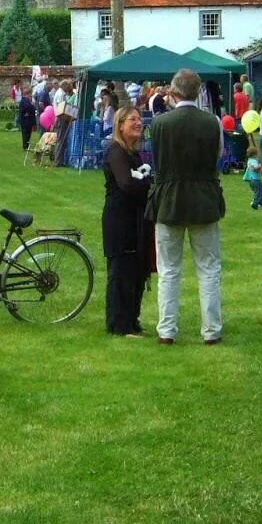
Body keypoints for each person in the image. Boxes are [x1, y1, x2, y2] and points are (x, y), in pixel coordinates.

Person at [146, 69, 224, 345]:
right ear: (199, 91)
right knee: (209, 267)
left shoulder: (159, 123)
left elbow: (157, 157)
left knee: (168, 268)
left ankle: (167, 330)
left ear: (173, 92)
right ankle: (211, 330)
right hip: (204, 196)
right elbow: (219, 155)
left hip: (169, 199)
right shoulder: (213, 121)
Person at [101, 105, 152, 336]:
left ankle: (132, 320)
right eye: (132, 119)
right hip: (119, 221)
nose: (138, 122)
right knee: (121, 272)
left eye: (139, 119)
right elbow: (127, 184)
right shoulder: (116, 152)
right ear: (120, 125)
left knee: (136, 272)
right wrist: (148, 185)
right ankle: (119, 324)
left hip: (136, 219)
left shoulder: (134, 153)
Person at [16, 85, 38, 151]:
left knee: (28, 134)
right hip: (25, 121)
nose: (30, 96)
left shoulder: (27, 101)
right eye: (29, 94)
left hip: (28, 120)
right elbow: (28, 108)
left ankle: (26, 145)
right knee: (26, 134)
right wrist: (32, 106)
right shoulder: (24, 101)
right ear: (27, 94)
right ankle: (25, 146)